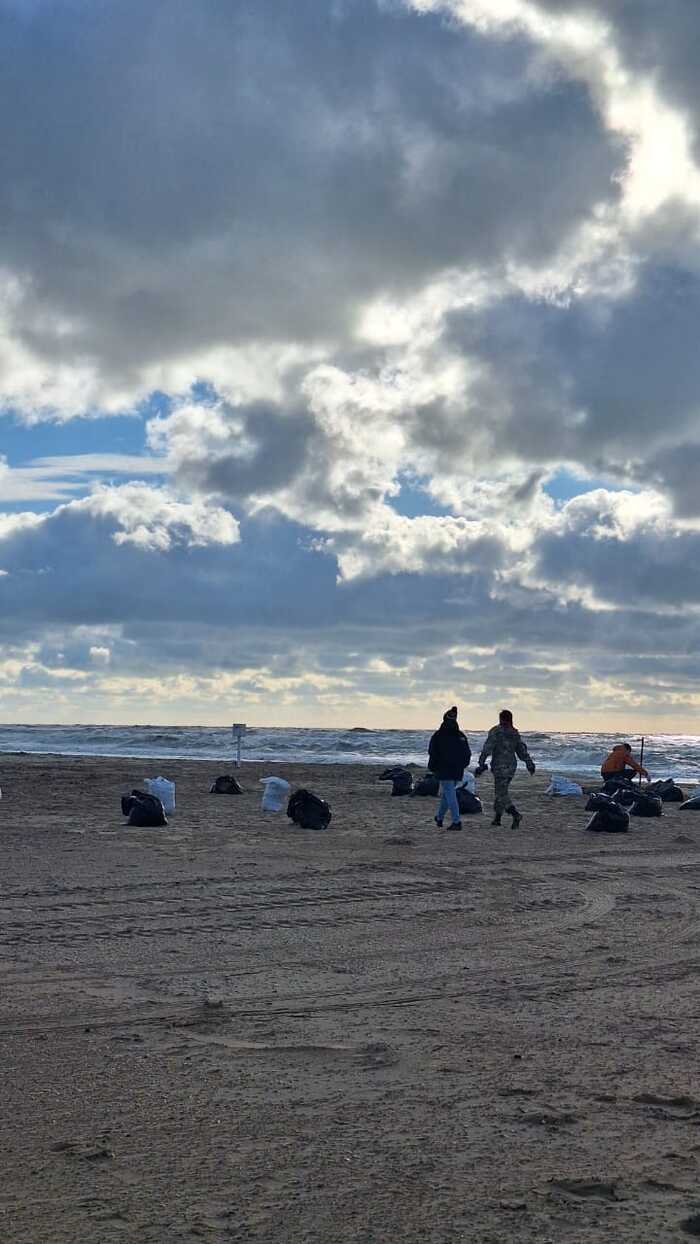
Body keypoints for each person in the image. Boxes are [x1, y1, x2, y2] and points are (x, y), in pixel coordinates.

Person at [475, 708, 535, 828]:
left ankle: (515, 814)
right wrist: (529, 763)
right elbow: (521, 751)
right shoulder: (514, 733)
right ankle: (497, 818)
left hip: (499, 767)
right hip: (511, 767)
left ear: (501, 719)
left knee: (501, 794)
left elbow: (488, 747)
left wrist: (481, 762)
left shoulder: (496, 731)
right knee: (502, 791)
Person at [428, 706, 471, 832]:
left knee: (449, 794)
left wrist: (433, 767)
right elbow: (467, 753)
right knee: (448, 794)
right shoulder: (460, 736)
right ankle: (439, 817)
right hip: (457, 769)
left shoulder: (438, 735)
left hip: (443, 769)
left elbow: (432, 752)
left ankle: (456, 822)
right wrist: (463, 765)